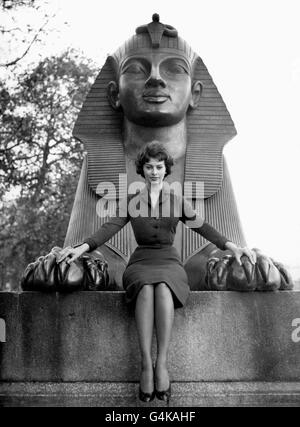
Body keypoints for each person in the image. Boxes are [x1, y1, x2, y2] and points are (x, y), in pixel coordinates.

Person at [58, 141, 256, 402]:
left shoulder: (177, 200)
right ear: (142, 170)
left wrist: (234, 247)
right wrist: (80, 248)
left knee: (162, 287)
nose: (154, 171)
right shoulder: (131, 201)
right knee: (145, 288)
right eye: (149, 166)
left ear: (166, 169)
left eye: (159, 166)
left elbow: (204, 227)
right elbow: (109, 228)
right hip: (141, 261)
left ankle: (161, 363)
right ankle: (145, 363)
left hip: (169, 262)